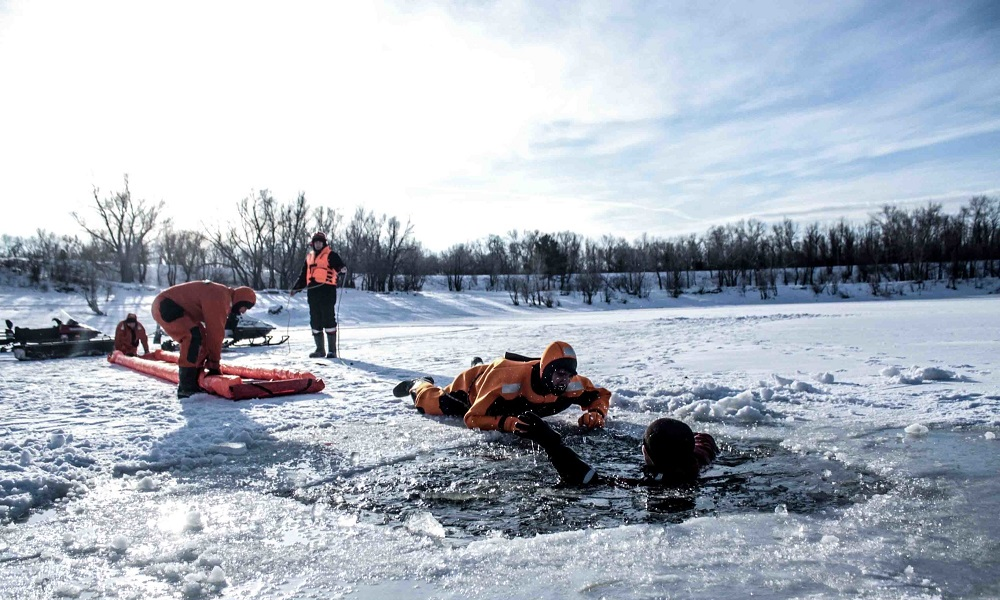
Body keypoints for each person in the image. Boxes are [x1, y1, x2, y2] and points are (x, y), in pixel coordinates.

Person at [393, 341, 611, 433]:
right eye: (559, 375)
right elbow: (471, 418)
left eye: (569, 375)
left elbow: (600, 395)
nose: (564, 381)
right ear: (545, 372)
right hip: (473, 387)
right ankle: (419, 384)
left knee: (490, 371)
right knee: (431, 404)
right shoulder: (508, 382)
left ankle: (480, 364)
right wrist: (505, 423)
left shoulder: (570, 383)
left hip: (496, 375)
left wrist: (596, 413)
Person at [514, 413, 718, 486]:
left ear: (646, 453)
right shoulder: (700, 459)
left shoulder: (651, 485)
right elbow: (705, 440)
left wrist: (551, 443)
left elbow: (588, 479)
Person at [151, 280, 256, 398]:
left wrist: (211, 362)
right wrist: (214, 364)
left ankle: (195, 379)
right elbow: (215, 333)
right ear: (241, 300)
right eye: (245, 307)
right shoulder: (220, 297)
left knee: (201, 338)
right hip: (165, 305)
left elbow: (210, 337)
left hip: (175, 308)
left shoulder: (222, 295)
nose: (243, 312)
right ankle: (186, 387)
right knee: (192, 337)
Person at [290, 231, 348, 358]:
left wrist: (342, 269)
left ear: (323, 243)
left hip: (327, 291)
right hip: (313, 292)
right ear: (313, 244)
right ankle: (320, 350)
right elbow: (303, 276)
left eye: (320, 242)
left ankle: (332, 350)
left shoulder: (331, 255)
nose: (317, 244)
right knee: (315, 320)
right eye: (315, 242)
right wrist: (296, 289)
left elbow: (340, 266)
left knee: (328, 318)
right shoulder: (309, 257)